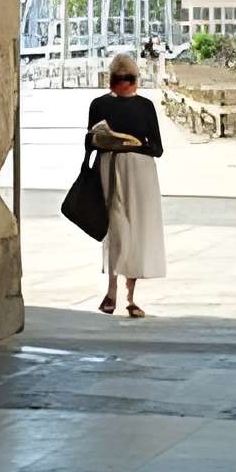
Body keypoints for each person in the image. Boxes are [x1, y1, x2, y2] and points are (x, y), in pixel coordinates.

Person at [85, 50, 165, 316]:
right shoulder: (99, 104)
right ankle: (112, 290)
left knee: (137, 228)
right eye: (119, 78)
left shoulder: (145, 106)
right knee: (116, 227)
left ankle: (130, 295)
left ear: (135, 80)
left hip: (138, 171)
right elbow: (89, 141)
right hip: (112, 168)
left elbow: (157, 147)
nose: (123, 83)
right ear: (111, 80)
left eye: (127, 78)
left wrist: (133, 144)